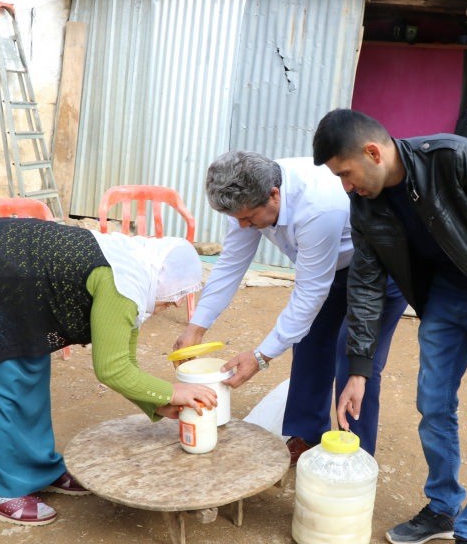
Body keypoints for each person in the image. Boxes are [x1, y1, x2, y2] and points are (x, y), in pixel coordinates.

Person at [312, 109, 467, 544]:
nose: (346, 187)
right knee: (433, 407)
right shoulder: (367, 205)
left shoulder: (456, 159)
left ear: (373, 153)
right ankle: (441, 508)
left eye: (345, 174)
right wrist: (358, 370)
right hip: (443, 303)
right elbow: (367, 285)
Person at [0, 217, 217, 527]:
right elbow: (112, 369)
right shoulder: (124, 283)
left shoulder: (135, 272)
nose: (175, 303)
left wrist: (155, 403)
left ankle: (38, 469)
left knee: (29, 378)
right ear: (160, 275)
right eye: (176, 291)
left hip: (8, 282)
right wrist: (174, 392)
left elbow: (124, 361)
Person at [173, 150, 406, 460]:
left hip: (380, 268)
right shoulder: (247, 199)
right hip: (329, 266)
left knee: (354, 358)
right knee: (308, 341)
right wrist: (196, 327)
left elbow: (310, 293)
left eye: (247, 218)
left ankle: (354, 454)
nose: (242, 226)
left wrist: (259, 357)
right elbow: (230, 264)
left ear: (274, 195)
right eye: (236, 219)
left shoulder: (317, 205)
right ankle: (308, 435)